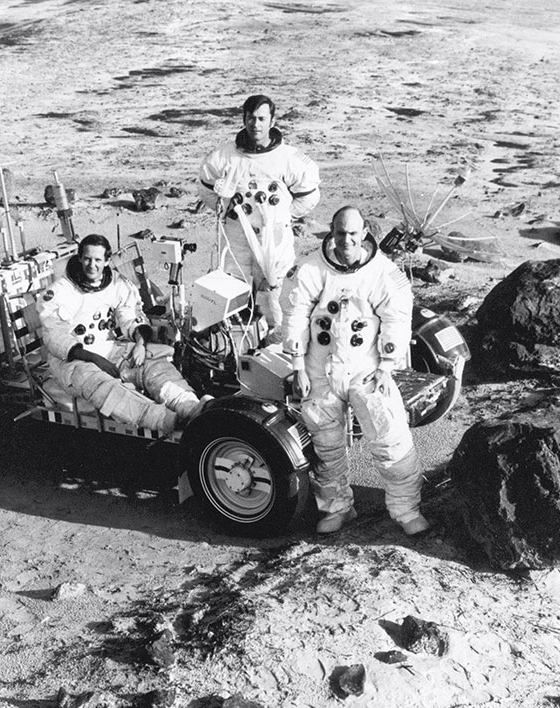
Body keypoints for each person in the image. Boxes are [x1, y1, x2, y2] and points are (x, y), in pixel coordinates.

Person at [282, 206, 430, 536]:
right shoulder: (310, 269)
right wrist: (297, 368)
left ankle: (406, 510)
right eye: (339, 233)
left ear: (364, 234)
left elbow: (397, 320)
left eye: (352, 234)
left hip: (367, 369)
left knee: (390, 439)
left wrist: (388, 367)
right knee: (326, 446)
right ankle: (337, 508)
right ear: (331, 234)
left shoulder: (383, 273)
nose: (346, 240)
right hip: (320, 368)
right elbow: (293, 317)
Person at [37, 234, 210, 433]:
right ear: (79, 258)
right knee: (103, 386)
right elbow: (54, 337)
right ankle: (166, 421)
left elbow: (131, 315)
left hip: (109, 347)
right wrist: (95, 359)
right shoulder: (60, 292)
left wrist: (140, 344)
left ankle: (190, 407)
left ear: (107, 261)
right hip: (72, 359)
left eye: (98, 260)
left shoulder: (115, 283)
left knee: (154, 365)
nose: (92, 265)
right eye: (87, 259)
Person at [198, 94, 320, 340]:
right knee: (234, 289)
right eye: (251, 118)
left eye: (262, 118)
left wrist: (279, 218)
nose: (256, 124)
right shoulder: (223, 157)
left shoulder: (289, 159)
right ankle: (237, 344)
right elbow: (207, 192)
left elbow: (309, 197)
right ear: (244, 119)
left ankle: (280, 343)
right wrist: (229, 213)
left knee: (278, 293)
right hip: (236, 237)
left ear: (272, 120)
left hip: (273, 241)